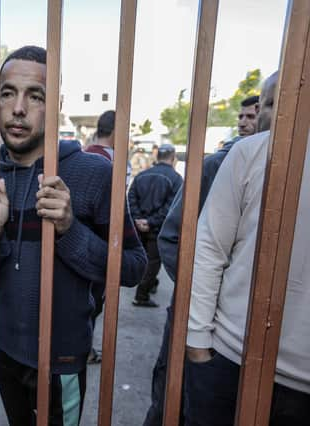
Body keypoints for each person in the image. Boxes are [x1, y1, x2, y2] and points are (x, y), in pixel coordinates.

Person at [0, 45, 147, 425]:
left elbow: (133, 268)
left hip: (61, 360)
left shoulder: (94, 174)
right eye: (8, 92)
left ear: (55, 104)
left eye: (35, 96)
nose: (17, 108)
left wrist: (69, 230)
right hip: (4, 353)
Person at [143, 86, 269, 425]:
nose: (246, 121)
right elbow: (172, 237)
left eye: (252, 114)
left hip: (249, 331)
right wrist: (198, 294)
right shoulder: (216, 164)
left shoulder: (286, 171)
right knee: (170, 399)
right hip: (194, 311)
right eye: (242, 115)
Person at [184, 84, 310, 425]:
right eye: (269, 102)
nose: (255, 116)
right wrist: (196, 342)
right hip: (231, 358)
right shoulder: (249, 153)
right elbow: (203, 247)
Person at [128, 143, 182, 307]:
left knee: (143, 258)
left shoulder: (142, 175)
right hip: (157, 230)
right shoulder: (176, 179)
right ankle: (142, 295)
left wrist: (138, 219)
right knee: (152, 263)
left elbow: (131, 198)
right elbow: (172, 208)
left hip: (140, 227)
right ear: (173, 158)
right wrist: (150, 222)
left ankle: (150, 285)